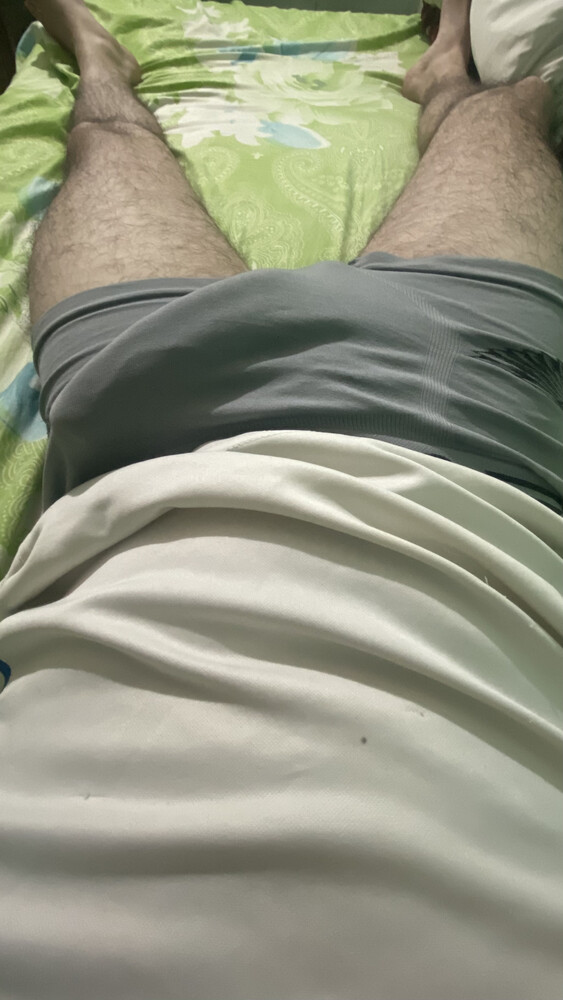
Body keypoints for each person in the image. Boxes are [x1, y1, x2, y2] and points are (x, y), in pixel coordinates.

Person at [0, 0, 562, 998]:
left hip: (144, 440)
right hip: (467, 432)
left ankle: (97, 57)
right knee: (505, 113)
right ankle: (445, 69)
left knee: (107, 138)